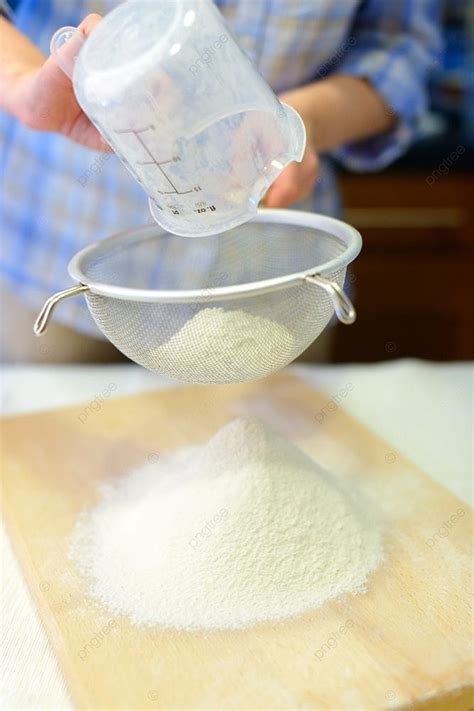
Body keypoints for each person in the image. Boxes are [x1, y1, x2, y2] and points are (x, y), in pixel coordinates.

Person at [0, 0, 442, 363]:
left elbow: (400, 48)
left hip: (277, 273)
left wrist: (301, 120)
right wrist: (21, 85)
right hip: (62, 251)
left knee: (264, 458)